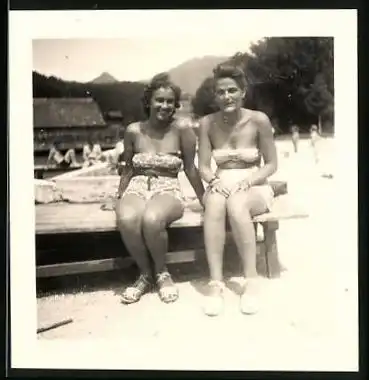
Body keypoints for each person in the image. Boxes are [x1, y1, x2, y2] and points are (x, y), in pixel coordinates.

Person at [116, 73, 205, 304]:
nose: (164, 105)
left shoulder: (183, 130)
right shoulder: (133, 131)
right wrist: (118, 196)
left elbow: (190, 169)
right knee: (126, 218)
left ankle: (162, 273)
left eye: (169, 101)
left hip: (168, 189)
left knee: (152, 218)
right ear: (149, 101)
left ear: (175, 105)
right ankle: (145, 275)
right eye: (159, 100)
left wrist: (204, 199)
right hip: (136, 186)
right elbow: (127, 169)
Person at [198, 64, 278, 316]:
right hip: (221, 181)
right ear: (215, 96)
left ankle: (250, 280)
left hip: (254, 183)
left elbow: (272, 164)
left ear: (243, 91)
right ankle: (216, 283)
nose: (226, 97)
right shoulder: (207, 123)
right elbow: (202, 166)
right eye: (220, 92)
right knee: (213, 203)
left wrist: (250, 181)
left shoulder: (258, 120)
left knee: (237, 204)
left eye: (232, 90)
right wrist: (213, 181)